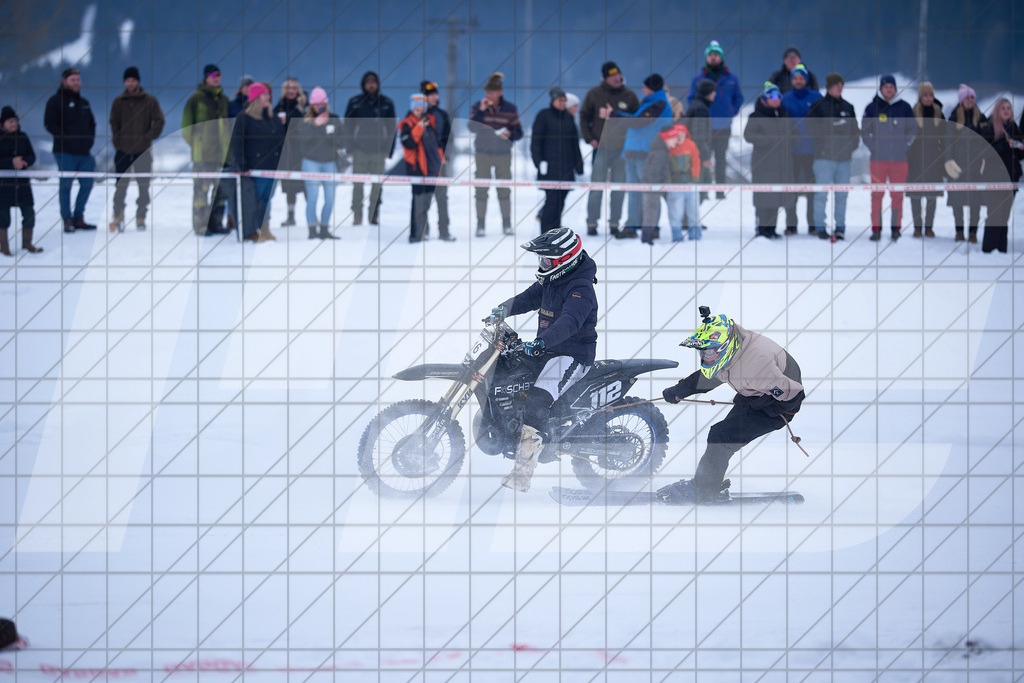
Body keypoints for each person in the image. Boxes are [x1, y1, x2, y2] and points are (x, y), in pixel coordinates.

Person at [485, 227, 598, 492]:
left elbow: (569, 322)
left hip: (571, 355)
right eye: (541, 258)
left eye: (546, 259)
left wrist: (541, 342)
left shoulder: (580, 289)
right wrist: (504, 309)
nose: (542, 263)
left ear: (564, 260)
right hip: (547, 350)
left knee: (536, 402)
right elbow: (528, 298)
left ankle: (522, 475)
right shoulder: (552, 280)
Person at [658, 309, 805, 503]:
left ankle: (704, 490)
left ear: (725, 346)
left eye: (709, 351)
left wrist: (764, 407)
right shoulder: (731, 352)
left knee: (721, 436)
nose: (705, 356)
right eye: (702, 351)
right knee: (722, 439)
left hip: (778, 407)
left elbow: (795, 396)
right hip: (755, 394)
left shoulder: (757, 366)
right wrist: (680, 390)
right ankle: (708, 484)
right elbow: (712, 375)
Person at [599, 73, 672, 239]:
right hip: (634, 154)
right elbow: (635, 120)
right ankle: (632, 225)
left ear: (652, 88)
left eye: (645, 86)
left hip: (648, 155)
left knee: (649, 193)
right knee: (634, 193)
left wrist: (613, 115)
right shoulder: (648, 103)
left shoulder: (659, 104)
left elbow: (638, 122)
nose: (642, 89)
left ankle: (652, 227)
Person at [580, 61, 640, 237]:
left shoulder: (629, 96)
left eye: (618, 75)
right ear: (605, 78)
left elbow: (638, 121)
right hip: (601, 148)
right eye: (612, 76)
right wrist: (590, 138)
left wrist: (631, 143)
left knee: (619, 189)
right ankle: (592, 223)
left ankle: (615, 223)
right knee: (596, 188)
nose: (616, 78)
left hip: (622, 151)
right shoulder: (594, 94)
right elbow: (583, 117)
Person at [108, 66, 165, 232]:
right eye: (128, 80)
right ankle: (118, 216)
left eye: (133, 80)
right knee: (120, 186)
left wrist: (149, 137)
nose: (130, 83)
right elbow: (113, 122)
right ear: (124, 82)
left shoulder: (149, 101)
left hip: (143, 151)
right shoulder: (118, 102)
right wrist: (117, 142)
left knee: (144, 186)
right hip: (123, 151)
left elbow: (160, 120)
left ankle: (141, 217)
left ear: (138, 81)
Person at [861, 74, 916, 242]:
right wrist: (874, 147)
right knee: (877, 195)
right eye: (886, 87)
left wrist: (904, 146)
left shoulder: (904, 107)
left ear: (895, 89)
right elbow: (865, 131)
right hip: (878, 160)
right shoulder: (872, 107)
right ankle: (876, 229)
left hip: (899, 161)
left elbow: (913, 130)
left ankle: (895, 228)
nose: (889, 90)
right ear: (881, 89)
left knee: (897, 195)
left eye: (891, 87)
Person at [686, 40, 743, 199]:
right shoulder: (698, 78)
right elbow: (691, 99)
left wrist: (730, 111)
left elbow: (738, 98)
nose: (713, 57)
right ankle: (703, 190)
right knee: (702, 156)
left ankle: (720, 190)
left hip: (723, 126)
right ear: (706, 58)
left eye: (716, 55)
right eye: (710, 55)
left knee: (721, 158)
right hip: (704, 125)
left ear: (721, 57)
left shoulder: (731, 78)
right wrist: (698, 114)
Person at [469, 72, 524, 237]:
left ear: (500, 92)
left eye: (492, 92)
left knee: (504, 189)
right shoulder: (478, 107)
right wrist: (481, 112)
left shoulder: (510, 109)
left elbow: (519, 132)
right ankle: (480, 224)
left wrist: (510, 134)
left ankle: (506, 224)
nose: (489, 96)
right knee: (481, 188)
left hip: (503, 155)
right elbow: (471, 127)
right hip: (482, 154)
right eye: (487, 92)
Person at [806, 72, 858, 241]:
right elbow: (810, 128)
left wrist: (850, 148)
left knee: (842, 196)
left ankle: (840, 228)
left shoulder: (848, 107)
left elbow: (855, 133)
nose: (839, 88)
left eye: (841, 85)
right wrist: (832, 127)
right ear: (829, 87)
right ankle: (820, 227)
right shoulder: (818, 106)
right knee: (821, 194)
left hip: (844, 160)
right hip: (823, 159)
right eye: (836, 85)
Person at [231, 82, 285, 243]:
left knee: (267, 200)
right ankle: (252, 230)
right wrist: (241, 162)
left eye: (268, 94)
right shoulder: (244, 118)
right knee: (255, 201)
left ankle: (265, 228)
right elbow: (237, 142)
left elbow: (281, 140)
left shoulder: (272, 117)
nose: (268, 97)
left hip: (272, 167)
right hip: (255, 168)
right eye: (264, 95)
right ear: (255, 98)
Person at [44, 68, 96, 232]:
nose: (76, 83)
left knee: (87, 183)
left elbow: (92, 124)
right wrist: (65, 138)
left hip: (84, 152)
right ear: (64, 81)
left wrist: (89, 142)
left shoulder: (84, 103)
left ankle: (78, 217)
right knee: (66, 185)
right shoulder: (55, 101)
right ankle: (67, 219)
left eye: (78, 80)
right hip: (64, 151)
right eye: (72, 80)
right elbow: (49, 123)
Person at [181, 63, 231, 235]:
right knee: (201, 191)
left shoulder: (224, 100)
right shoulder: (195, 99)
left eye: (219, 75)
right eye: (213, 75)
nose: (216, 78)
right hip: (202, 156)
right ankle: (201, 226)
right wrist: (198, 144)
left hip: (221, 155)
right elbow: (186, 127)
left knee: (220, 192)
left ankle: (216, 223)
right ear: (206, 78)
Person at [744, 82, 797, 239]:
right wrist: (767, 140)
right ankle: (761, 229)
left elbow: (796, 135)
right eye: (772, 96)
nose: (776, 99)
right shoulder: (756, 116)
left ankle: (772, 229)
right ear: (765, 98)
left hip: (782, 164)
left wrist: (789, 141)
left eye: (779, 96)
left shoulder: (785, 115)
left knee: (776, 197)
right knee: (763, 198)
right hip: (763, 164)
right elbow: (748, 135)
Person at [344, 71, 396, 226]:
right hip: (359, 150)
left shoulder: (386, 103)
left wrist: (389, 149)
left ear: (378, 84)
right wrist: (349, 148)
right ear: (363, 84)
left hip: (379, 151)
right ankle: (357, 215)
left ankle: (373, 215)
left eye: (374, 82)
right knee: (357, 185)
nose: (371, 84)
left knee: (377, 186)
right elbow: (347, 126)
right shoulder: (355, 102)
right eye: (368, 82)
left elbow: (392, 128)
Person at [531, 87, 584, 233]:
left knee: (561, 201)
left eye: (565, 101)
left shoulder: (568, 118)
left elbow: (574, 144)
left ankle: (555, 231)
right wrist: (538, 162)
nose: (563, 103)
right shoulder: (544, 115)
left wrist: (579, 165)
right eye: (560, 100)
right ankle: (546, 233)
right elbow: (536, 141)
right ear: (553, 100)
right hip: (549, 168)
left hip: (567, 168)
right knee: (552, 201)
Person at [292, 86, 341, 240]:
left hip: (330, 162)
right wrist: (316, 125)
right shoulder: (305, 121)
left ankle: (325, 228)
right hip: (310, 162)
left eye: (322, 104)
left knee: (330, 198)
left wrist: (331, 135)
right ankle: (312, 229)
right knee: (312, 197)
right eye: (317, 104)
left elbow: (341, 140)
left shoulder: (334, 119)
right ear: (311, 105)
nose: (320, 107)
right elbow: (302, 139)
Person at [641, 123, 701, 244]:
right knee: (654, 211)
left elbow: (695, 161)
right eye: (675, 137)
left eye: (681, 136)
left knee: (654, 211)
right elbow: (655, 172)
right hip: (657, 187)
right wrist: (658, 187)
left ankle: (648, 237)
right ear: (668, 137)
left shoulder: (665, 149)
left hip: (661, 186)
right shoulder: (662, 151)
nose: (678, 139)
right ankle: (647, 238)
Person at [780, 64, 822, 236]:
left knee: (812, 191)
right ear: (791, 81)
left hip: (813, 152)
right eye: (795, 78)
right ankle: (791, 225)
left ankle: (813, 225)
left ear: (806, 80)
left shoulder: (816, 97)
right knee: (791, 190)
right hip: (792, 153)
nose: (798, 81)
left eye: (801, 78)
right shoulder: (785, 98)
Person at [399, 93, 444, 243]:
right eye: (417, 110)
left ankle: (424, 231)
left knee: (426, 203)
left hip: (431, 169)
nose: (419, 113)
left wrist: (440, 162)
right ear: (412, 110)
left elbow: (437, 145)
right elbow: (408, 143)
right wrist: (418, 128)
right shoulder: (407, 124)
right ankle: (416, 235)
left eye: (422, 110)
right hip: (416, 169)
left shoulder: (430, 124)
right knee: (418, 202)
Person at [978, 98, 1022, 253]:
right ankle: (989, 250)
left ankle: (1001, 250)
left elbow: (1017, 156)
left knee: (1004, 216)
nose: (1006, 111)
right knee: (994, 215)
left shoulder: (1014, 127)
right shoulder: (989, 127)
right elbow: (983, 152)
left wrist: (1020, 148)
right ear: (997, 110)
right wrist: (1004, 145)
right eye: (1003, 108)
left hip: (1011, 178)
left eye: (1008, 108)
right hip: (993, 177)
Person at [944, 84, 987, 243]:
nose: (970, 100)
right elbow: (948, 142)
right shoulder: (953, 118)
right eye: (967, 97)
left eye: (972, 97)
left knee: (976, 202)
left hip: (976, 166)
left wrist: (985, 160)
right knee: (958, 201)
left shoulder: (981, 118)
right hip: (958, 165)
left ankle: (973, 232)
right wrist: (948, 161)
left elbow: (987, 141)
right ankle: (959, 231)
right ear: (961, 100)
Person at [0, 106, 41, 254]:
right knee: (3, 217)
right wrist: (11, 162)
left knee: (29, 213)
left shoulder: (23, 137)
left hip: (22, 184)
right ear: (3, 123)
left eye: (15, 120)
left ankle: (27, 243)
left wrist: (24, 161)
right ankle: (4, 247)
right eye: (10, 121)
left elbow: (32, 156)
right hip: (3, 185)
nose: (13, 124)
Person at [907, 82, 945, 238]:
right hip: (915, 160)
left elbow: (945, 138)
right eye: (925, 95)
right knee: (915, 196)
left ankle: (929, 227)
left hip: (934, 160)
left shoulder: (939, 114)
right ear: (920, 97)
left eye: (931, 95)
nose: (928, 98)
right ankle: (917, 227)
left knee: (931, 196)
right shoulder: (912, 113)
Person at [421, 80, 454, 241]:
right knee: (423, 198)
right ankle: (423, 231)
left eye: (435, 94)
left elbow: (450, 138)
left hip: (440, 163)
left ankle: (444, 231)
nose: (434, 97)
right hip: (423, 164)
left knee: (442, 198)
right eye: (430, 95)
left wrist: (445, 156)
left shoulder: (442, 115)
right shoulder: (417, 115)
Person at [275, 77, 307, 227]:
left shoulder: (304, 106)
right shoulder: (279, 106)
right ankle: (291, 216)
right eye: (288, 88)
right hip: (286, 152)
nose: (291, 91)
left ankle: (312, 218)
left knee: (307, 185)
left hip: (304, 150)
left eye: (294, 88)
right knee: (289, 188)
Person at [684, 79, 715, 207]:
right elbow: (698, 136)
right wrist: (705, 157)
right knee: (697, 191)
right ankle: (690, 217)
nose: (715, 94)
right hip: (696, 156)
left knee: (697, 191)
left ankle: (692, 216)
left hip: (693, 154)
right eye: (713, 92)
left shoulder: (697, 105)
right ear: (708, 93)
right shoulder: (700, 109)